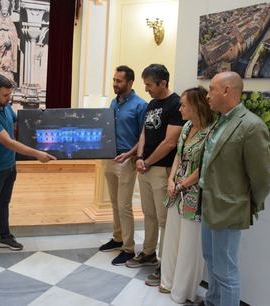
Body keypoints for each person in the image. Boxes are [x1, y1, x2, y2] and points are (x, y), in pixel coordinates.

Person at [198, 71, 270, 306]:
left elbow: (261, 178)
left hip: (230, 208)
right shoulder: (219, 121)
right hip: (209, 204)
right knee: (211, 260)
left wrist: (247, 205)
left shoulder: (251, 126)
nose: (207, 96)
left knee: (226, 270)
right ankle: (212, 302)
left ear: (227, 90)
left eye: (211, 90)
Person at [144, 87, 214, 305]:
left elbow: (204, 166)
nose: (180, 108)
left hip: (194, 193)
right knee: (173, 236)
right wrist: (171, 179)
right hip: (176, 189)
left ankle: (182, 290)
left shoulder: (211, 132)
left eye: (184, 105)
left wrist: (182, 184)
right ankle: (167, 281)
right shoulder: (186, 127)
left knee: (189, 243)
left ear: (196, 106)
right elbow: (178, 156)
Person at [0, 74, 56, 262]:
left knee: (4, 203)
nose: (8, 98)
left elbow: (19, 121)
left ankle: (4, 236)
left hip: (9, 165)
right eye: (5, 95)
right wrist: (38, 154)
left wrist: (43, 118)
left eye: (9, 94)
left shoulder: (5, 107)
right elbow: (9, 143)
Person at [126, 64, 185, 281]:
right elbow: (144, 132)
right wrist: (140, 158)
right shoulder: (152, 103)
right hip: (147, 166)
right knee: (148, 214)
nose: (147, 89)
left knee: (164, 220)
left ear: (162, 83)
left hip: (163, 169)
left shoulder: (176, 104)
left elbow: (170, 142)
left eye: (150, 85)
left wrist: (148, 161)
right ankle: (148, 252)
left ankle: (165, 262)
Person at [98, 65, 147, 265]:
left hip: (127, 160)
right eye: (114, 80)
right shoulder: (114, 102)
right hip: (110, 158)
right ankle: (117, 238)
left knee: (124, 205)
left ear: (130, 82)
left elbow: (143, 136)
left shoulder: (140, 105)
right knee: (114, 202)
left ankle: (128, 247)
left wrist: (131, 154)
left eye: (119, 81)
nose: (115, 84)